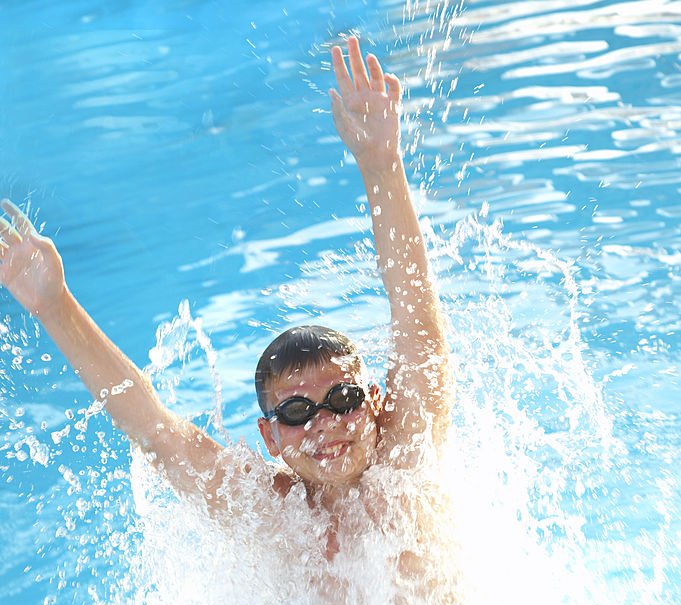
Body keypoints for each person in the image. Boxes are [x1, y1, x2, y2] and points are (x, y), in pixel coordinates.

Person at [0, 37, 450, 563]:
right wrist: (55, 306)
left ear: (373, 401)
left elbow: (416, 314)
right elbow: (154, 429)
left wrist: (381, 165)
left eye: (344, 399)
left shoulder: (406, 454)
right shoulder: (268, 511)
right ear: (270, 437)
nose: (325, 423)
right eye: (299, 410)